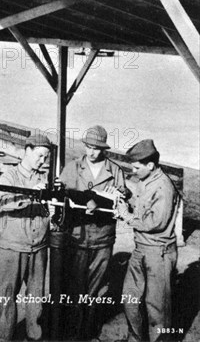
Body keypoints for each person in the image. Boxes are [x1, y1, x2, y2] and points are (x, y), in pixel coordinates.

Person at [58, 125, 129, 340]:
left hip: (103, 238)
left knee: (95, 289)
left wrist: (118, 194)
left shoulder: (115, 170)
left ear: (104, 149)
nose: (92, 152)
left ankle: (87, 332)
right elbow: (61, 196)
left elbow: (123, 200)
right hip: (78, 236)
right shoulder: (73, 167)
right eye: (88, 147)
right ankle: (71, 330)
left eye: (97, 148)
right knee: (74, 286)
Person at [115, 139, 179, 342]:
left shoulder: (164, 187)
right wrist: (126, 197)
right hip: (140, 249)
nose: (133, 172)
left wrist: (127, 216)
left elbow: (155, 222)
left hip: (158, 253)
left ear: (150, 165)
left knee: (157, 310)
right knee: (129, 299)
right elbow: (143, 206)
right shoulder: (146, 181)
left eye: (136, 167)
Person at [0, 134, 53, 342]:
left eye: (46, 158)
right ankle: (3, 337)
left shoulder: (43, 179)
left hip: (38, 247)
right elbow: (4, 202)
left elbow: (49, 211)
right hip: (13, 246)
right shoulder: (9, 176)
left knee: (36, 296)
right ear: (27, 151)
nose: (42, 161)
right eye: (39, 156)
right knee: (7, 296)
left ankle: (34, 336)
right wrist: (30, 195)